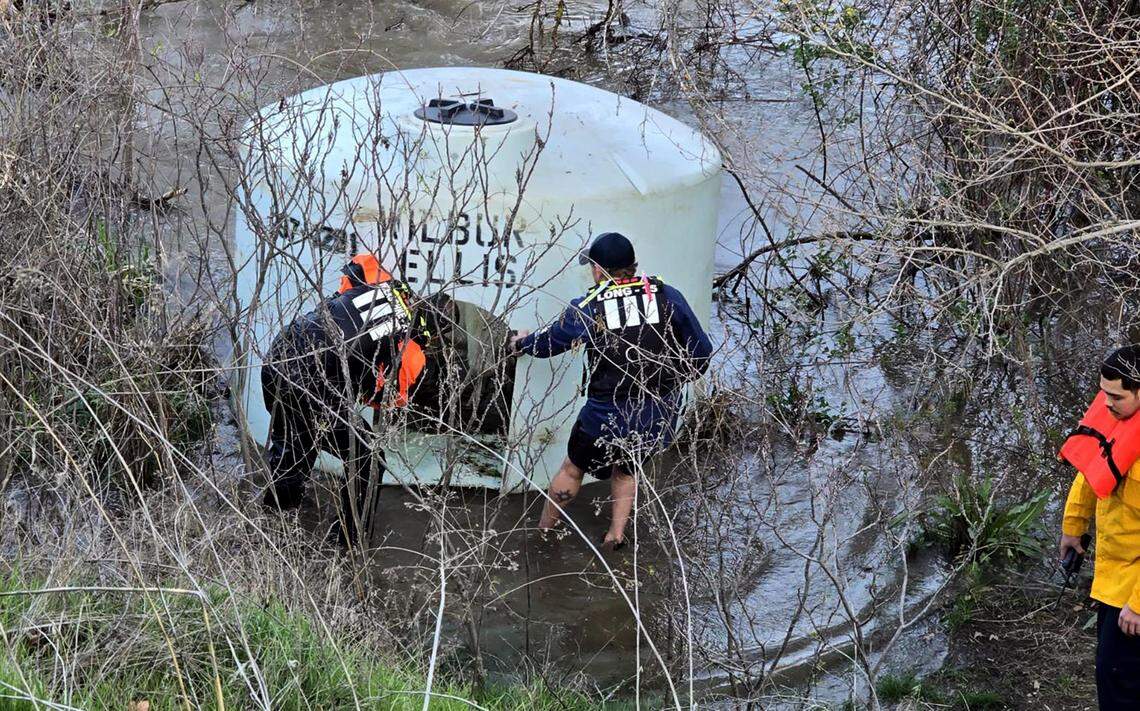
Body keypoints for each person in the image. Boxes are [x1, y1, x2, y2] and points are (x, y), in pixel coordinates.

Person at [510, 232, 712, 548]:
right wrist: (667, 385)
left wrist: (522, 342)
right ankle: (615, 535)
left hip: (605, 413)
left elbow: (552, 341)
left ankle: (543, 532)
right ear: (634, 266)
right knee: (627, 469)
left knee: (573, 468)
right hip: (654, 413)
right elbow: (700, 352)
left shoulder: (590, 307)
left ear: (598, 270)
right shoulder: (667, 296)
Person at [261, 252, 430, 545]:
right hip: (314, 382)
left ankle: (274, 519)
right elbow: (386, 398)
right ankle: (351, 540)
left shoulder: (378, 282)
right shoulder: (412, 350)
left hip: (278, 355)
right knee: (368, 458)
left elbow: (351, 272)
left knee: (295, 441)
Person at [1059, 345, 1140, 709]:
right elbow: (1092, 470)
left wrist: (1138, 604)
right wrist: (1072, 527)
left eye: (1116, 396)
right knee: (1112, 671)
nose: (1106, 404)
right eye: (1103, 394)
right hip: (1113, 578)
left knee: (1119, 679)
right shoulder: (1121, 417)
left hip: (1133, 589)